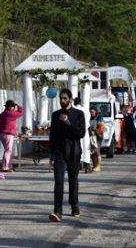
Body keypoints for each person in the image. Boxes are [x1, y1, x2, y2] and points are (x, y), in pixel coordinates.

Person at [49, 88, 86, 222]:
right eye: (60, 98)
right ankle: (57, 211)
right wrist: (51, 155)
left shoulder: (79, 114)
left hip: (74, 152)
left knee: (73, 180)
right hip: (59, 153)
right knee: (58, 182)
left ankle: (74, 205)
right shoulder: (55, 115)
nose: (62, 100)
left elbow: (81, 133)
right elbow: (52, 136)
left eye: (65, 98)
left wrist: (68, 123)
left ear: (70, 99)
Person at [0, 100, 24, 172]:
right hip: (8, 134)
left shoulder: (4, 113)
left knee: (8, 150)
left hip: (2, 133)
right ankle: (5, 166)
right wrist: (18, 105)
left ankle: (8, 165)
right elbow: (21, 113)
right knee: (8, 150)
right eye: (13, 106)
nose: (14, 108)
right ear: (11, 107)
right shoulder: (10, 113)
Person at [73, 97, 92, 173]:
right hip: (84, 131)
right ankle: (87, 166)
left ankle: (78, 165)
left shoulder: (73, 111)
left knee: (77, 148)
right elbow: (88, 121)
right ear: (80, 102)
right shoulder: (86, 110)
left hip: (75, 132)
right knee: (85, 148)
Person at [89, 106, 104, 172]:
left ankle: (98, 166)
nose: (91, 113)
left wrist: (95, 131)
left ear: (96, 112)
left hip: (98, 137)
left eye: (92, 112)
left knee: (97, 151)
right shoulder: (89, 118)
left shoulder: (99, 119)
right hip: (92, 137)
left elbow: (101, 128)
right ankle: (94, 165)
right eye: (90, 112)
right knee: (92, 152)